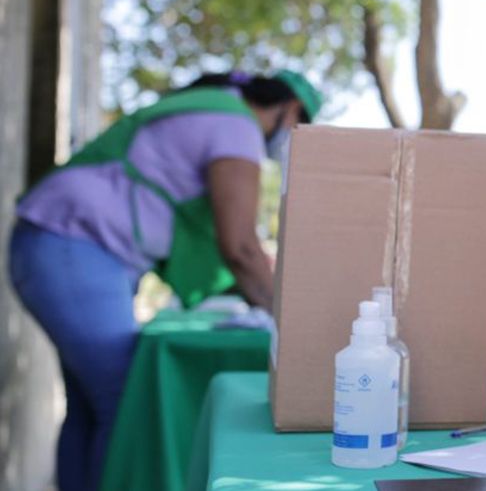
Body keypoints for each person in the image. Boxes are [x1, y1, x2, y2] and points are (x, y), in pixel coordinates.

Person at [8, 69, 322, 491]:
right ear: (290, 107)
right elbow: (241, 249)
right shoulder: (237, 126)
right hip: (75, 245)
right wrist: (286, 318)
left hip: (55, 242)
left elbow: (221, 252)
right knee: (127, 400)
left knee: (90, 405)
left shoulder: (211, 109)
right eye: (301, 125)